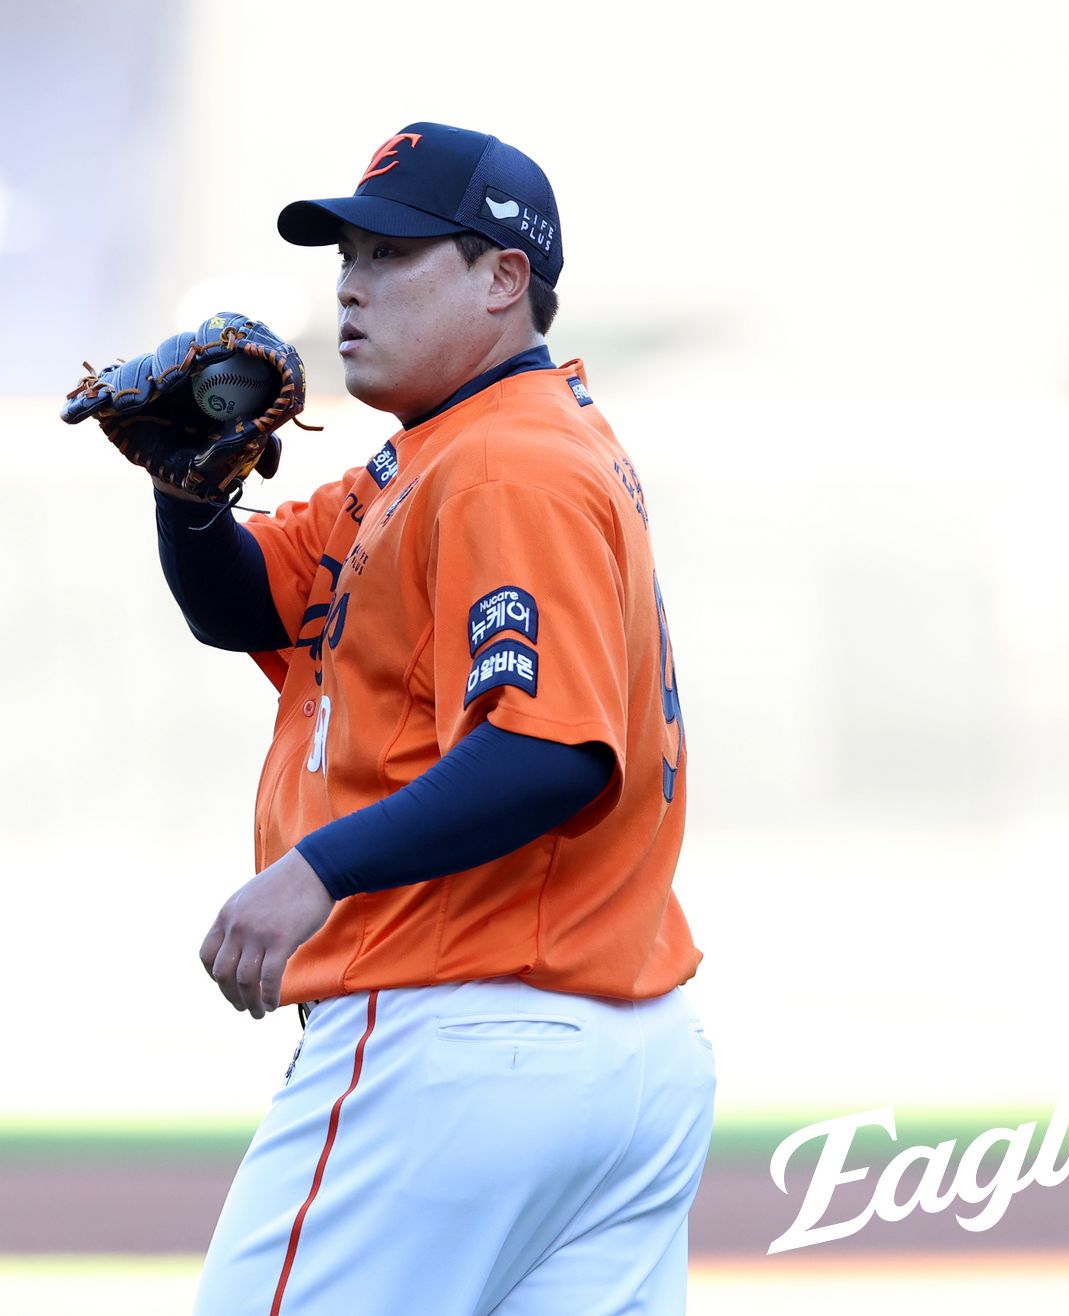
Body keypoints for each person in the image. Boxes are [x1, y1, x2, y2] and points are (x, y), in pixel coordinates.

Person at [154, 122, 713, 1316]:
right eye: (347, 255)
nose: (351, 284)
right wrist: (183, 490)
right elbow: (241, 603)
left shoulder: (506, 462)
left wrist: (318, 868)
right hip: (620, 1055)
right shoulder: (435, 457)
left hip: (452, 1033)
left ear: (503, 277)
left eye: (393, 254)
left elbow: (549, 749)